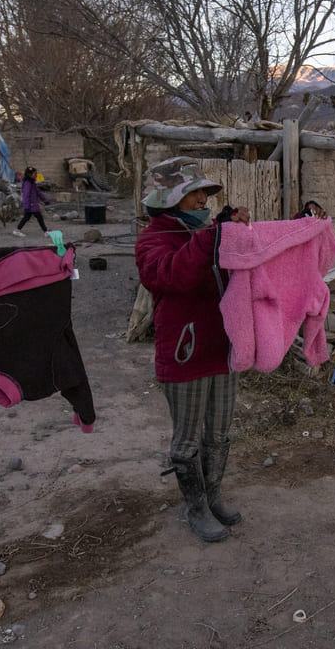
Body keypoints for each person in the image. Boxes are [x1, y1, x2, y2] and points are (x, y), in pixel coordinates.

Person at [134, 156, 250, 543]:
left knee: (218, 433)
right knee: (186, 438)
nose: (203, 198)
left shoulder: (212, 232)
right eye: (194, 192)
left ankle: (213, 496)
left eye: (204, 191)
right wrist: (211, 237)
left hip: (222, 350)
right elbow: (172, 277)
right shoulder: (153, 241)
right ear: (170, 199)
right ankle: (195, 507)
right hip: (184, 354)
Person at [12, 166, 50, 237]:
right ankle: (45, 231)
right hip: (31, 205)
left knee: (27, 217)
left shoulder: (32, 183)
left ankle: (17, 230)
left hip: (32, 205)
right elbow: (25, 195)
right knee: (39, 217)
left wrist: (45, 200)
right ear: (29, 175)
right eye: (34, 174)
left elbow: (38, 192)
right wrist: (26, 205)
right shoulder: (27, 184)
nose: (36, 175)